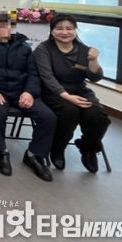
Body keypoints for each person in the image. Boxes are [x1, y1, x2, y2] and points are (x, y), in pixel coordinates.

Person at [0, 12, 56, 181]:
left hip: (21, 91)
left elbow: (33, 73)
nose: (1, 29)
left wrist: (29, 92)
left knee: (48, 117)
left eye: (5, 26)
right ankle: (1, 151)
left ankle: (34, 154)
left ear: (12, 28)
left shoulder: (24, 47)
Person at [34, 14, 111, 173]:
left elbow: (95, 77)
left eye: (69, 28)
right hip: (53, 93)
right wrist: (68, 97)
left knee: (98, 116)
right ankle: (57, 148)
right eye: (59, 28)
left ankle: (88, 149)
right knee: (69, 112)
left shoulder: (84, 50)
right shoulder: (43, 49)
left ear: (75, 30)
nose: (64, 32)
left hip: (80, 90)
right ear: (52, 30)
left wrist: (93, 60)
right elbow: (47, 77)